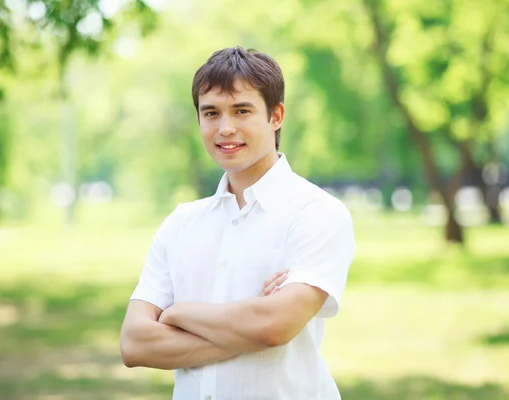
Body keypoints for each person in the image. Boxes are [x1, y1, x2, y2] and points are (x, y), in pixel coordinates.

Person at [119, 46, 356, 400]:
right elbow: (135, 344)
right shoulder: (181, 223)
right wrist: (249, 329)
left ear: (276, 116)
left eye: (241, 110)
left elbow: (274, 327)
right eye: (211, 113)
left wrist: (178, 313)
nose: (225, 128)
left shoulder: (317, 213)